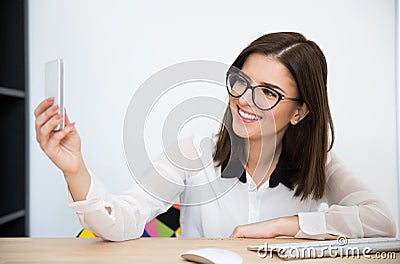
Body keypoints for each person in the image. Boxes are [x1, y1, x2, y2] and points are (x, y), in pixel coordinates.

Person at [34, 32, 396, 241]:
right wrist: (74, 169)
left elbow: (382, 221)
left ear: (300, 112)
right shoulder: (192, 153)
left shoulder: (320, 166)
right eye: (241, 82)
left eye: (268, 92)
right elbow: (119, 222)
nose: (243, 99)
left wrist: (282, 227)